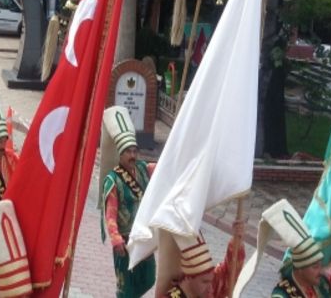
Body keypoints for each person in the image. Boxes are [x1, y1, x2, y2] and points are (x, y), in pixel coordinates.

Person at [100, 106, 156, 298]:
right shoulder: (113, 180)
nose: (133, 155)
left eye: (135, 151)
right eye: (128, 152)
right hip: (124, 242)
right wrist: (115, 239)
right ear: (120, 154)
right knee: (126, 289)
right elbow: (110, 215)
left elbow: (165, 170)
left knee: (149, 279)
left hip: (143, 239)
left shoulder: (143, 169)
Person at [233, 199, 330, 298]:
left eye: (320, 265)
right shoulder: (281, 295)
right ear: (300, 268)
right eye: (315, 267)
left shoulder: (321, 284)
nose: (320, 271)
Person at [161, 225, 245, 298]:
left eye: (210, 281)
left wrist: (237, 240)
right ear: (188, 278)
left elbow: (228, 274)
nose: (210, 288)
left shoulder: (208, 286)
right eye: (204, 282)